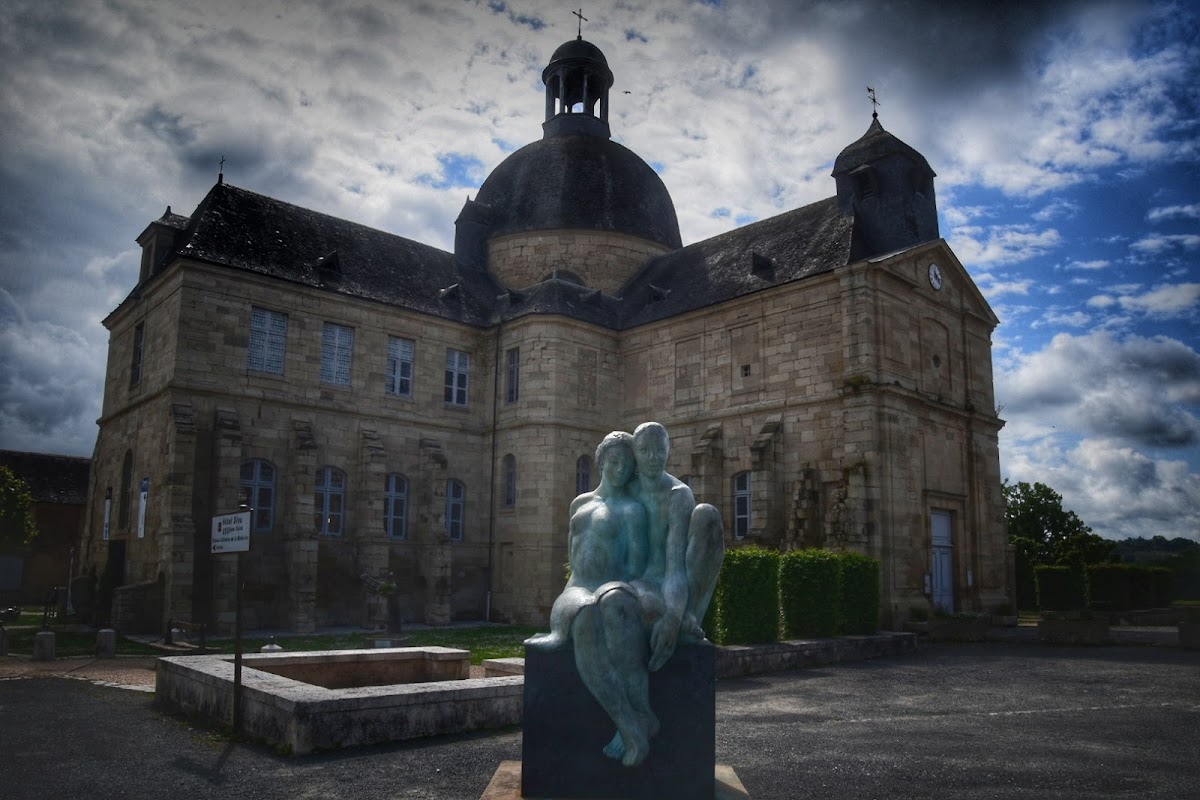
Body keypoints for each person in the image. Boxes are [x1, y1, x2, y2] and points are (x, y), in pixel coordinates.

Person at [526, 423, 725, 768]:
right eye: (643, 451)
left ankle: (638, 717)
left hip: (657, 586)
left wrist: (675, 615)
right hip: (624, 586)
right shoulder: (622, 492)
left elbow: (674, 565)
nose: (649, 458)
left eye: (657, 450)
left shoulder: (675, 495)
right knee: (609, 605)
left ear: (667, 451)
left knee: (619, 602)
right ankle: (635, 718)